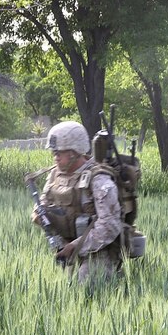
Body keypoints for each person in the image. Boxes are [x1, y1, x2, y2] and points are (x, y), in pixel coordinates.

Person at [32, 120, 123, 283]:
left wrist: (75, 246)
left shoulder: (98, 179)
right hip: (66, 248)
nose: (55, 157)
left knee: (83, 285)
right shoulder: (55, 175)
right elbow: (43, 203)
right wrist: (42, 215)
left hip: (98, 252)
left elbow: (110, 226)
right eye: (54, 153)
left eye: (59, 153)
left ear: (74, 152)